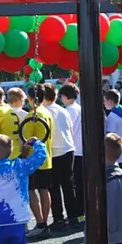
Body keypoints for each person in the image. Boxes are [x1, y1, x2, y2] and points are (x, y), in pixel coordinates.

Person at [41, 83, 77, 230]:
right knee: (68, 185)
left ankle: (59, 219)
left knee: (54, 187)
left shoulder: (44, 112)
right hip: (68, 148)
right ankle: (73, 217)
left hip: (55, 151)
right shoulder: (62, 110)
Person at [23, 84, 55, 238]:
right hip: (46, 157)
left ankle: (41, 222)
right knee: (44, 190)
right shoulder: (47, 113)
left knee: (31, 191)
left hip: (34, 160)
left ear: (30, 99)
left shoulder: (32, 115)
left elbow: (27, 141)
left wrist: (22, 157)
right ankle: (44, 223)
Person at [58, 84, 84, 224]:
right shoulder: (79, 108)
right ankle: (82, 212)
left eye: (61, 96)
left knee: (75, 184)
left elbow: (69, 130)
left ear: (66, 96)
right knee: (81, 183)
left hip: (75, 150)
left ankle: (78, 213)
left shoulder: (68, 111)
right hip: (82, 149)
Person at [104, 89, 122, 169]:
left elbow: (109, 137)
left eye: (105, 100)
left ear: (110, 101)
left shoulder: (112, 117)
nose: (103, 103)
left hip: (115, 155)